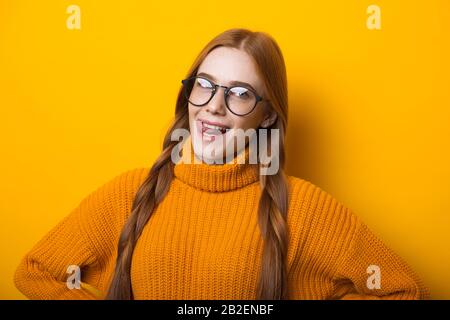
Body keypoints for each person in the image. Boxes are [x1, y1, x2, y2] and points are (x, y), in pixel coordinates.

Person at [14, 28, 429, 300]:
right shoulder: (130, 194)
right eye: (205, 85)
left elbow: (402, 290)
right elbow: (35, 270)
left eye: (240, 93)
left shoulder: (303, 209)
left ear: (266, 115)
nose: (213, 106)